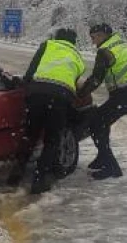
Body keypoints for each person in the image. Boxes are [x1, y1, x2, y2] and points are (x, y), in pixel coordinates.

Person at [8, 28, 85, 194]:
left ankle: (15, 174)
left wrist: (26, 83)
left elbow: (32, 69)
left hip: (36, 94)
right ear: (73, 42)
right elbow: (76, 81)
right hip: (60, 98)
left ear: (57, 37)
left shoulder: (47, 46)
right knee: (52, 140)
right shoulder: (78, 57)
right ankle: (39, 180)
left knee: (30, 135)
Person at [77, 23, 127, 180]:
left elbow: (96, 79)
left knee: (96, 123)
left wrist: (80, 94)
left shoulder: (105, 50)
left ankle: (111, 166)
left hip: (125, 94)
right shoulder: (119, 43)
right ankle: (103, 157)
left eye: (94, 38)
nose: (93, 42)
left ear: (102, 35)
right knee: (101, 120)